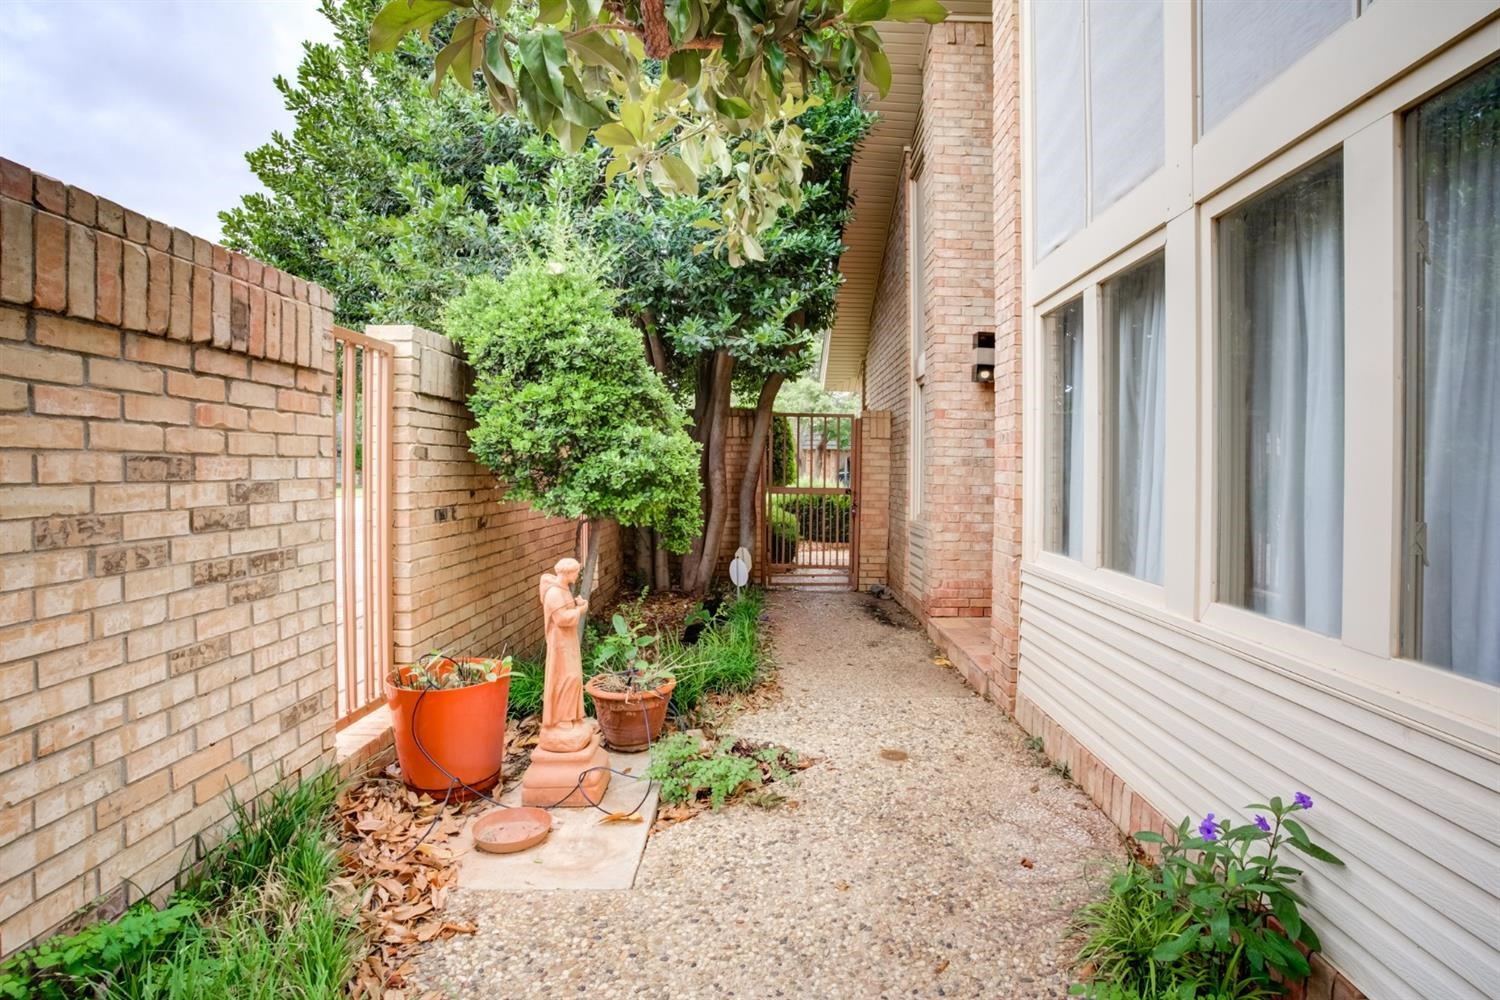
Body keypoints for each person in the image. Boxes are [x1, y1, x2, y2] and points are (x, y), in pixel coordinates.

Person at [538, 558, 592, 752]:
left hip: (568, 642)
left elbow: (566, 611)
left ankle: (571, 716)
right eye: (576, 572)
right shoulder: (554, 593)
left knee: (574, 677)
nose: (577, 575)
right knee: (565, 677)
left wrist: (576, 604)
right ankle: (561, 720)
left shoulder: (563, 590)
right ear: (568, 573)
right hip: (560, 644)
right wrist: (579, 610)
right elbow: (562, 619)